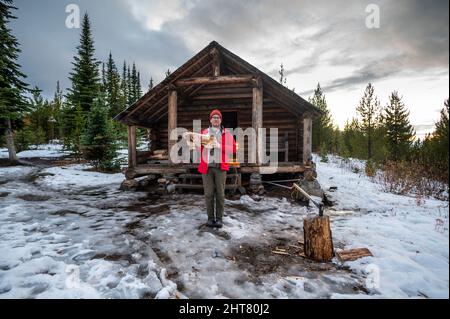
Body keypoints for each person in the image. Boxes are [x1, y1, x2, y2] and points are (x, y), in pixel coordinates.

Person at [197, 109, 236, 228]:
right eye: (213, 117)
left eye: (218, 117)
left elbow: (233, 149)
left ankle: (219, 219)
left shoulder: (226, 133)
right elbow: (198, 148)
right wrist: (198, 144)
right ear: (210, 120)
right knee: (208, 194)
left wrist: (219, 145)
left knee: (220, 194)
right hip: (207, 167)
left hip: (220, 167)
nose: (216, 119)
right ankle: (210, 218)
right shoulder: (204, 132)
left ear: (220, 120)